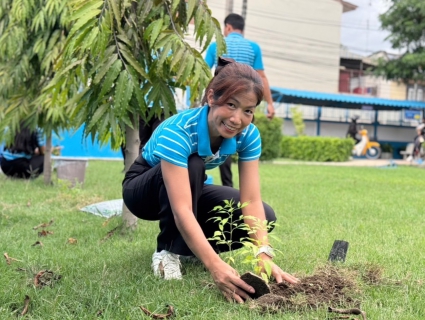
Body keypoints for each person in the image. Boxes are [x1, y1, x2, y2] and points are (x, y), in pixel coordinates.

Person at [122, 59, 298, 303]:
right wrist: (215, 266)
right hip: (143, 190)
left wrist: (264, 255)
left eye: (248, 110)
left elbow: (251, 200)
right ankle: (167, 252)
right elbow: (182, 209)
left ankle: (193, 250)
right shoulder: (179, 130)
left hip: (187, 185)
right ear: (212, 96)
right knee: (194, 163)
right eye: (231, 105)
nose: (237, 119)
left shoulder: (247, 135)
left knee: (265, 215)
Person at [205, 13, 275, 187]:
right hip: (247, 103)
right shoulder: (253, 48)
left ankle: (216, 183)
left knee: (220, 134)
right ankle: (234, 186)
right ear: (241, 29)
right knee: (239, 135)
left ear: (228, 27)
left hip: (222, 102)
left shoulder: (216, 46)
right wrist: (270, 104)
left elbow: (204, 73)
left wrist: (198, 100)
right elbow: (262, 77)